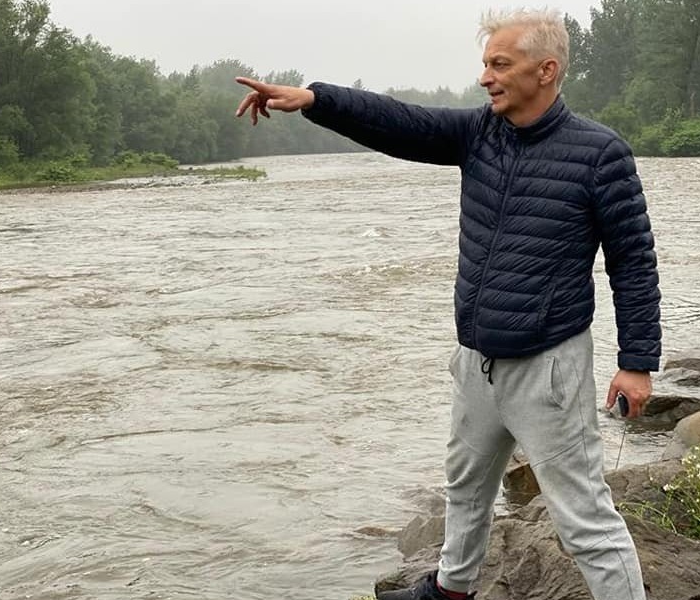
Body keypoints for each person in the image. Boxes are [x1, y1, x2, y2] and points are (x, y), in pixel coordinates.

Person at [235, 8, 660, 600]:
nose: (485, 76)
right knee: (465, 486)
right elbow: (399, 122)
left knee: (584, 519)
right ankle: (451, 589)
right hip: (476, 362)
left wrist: (637, 362)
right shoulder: (479, 134)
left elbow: (633, 261)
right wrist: (314, 99)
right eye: (485, 63)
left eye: (499, 64)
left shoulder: (599, 154)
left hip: (549, 369)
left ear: (546, 69)